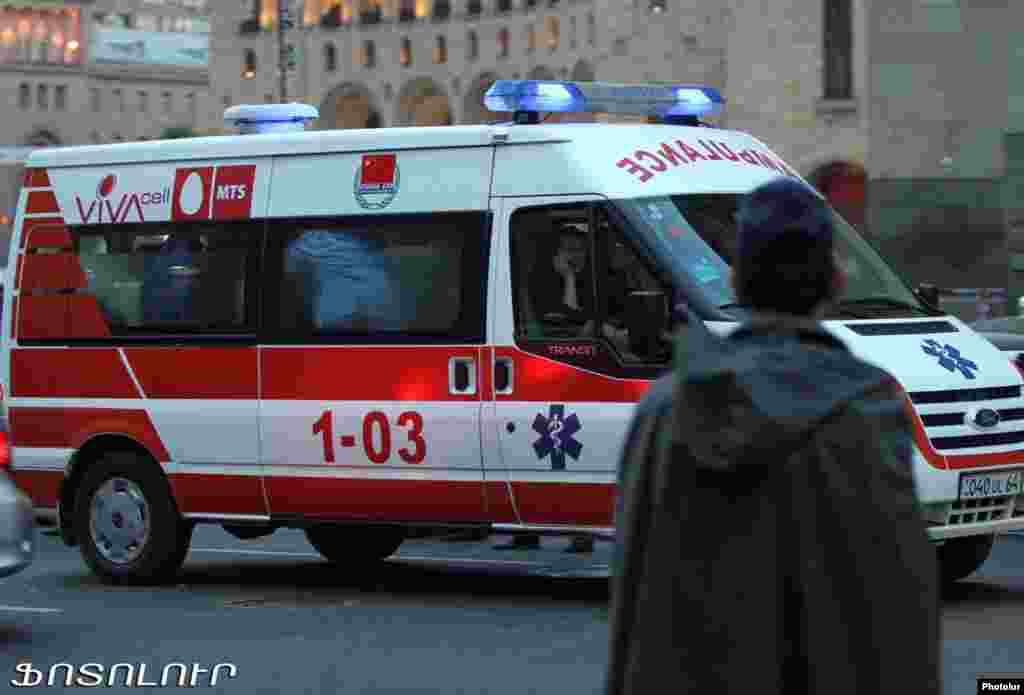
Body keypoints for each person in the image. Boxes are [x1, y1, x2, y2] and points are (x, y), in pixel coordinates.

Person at [605, 178, 941, 695]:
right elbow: (895, 612)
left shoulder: (663, 410)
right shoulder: (865, 412)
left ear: (736, 281)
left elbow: (635, 608)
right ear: (835, 279)